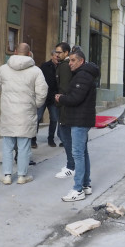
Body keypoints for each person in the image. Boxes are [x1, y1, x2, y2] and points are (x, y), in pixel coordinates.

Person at [0, 42, 47, 185]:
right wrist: (34, 105)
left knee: (7, 146)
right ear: (29, 53)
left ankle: (6, 175)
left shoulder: (3, 69)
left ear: (15, 51)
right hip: (26, 113)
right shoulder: (36, 71)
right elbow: (42, 92)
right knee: (24, 146)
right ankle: (22, 176)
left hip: (8, 112)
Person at [55, 49, 99, 202]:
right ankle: (86, 185)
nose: (70, 64)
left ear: (81, 61)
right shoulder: (83, 75)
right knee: (82, 152)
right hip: (81, 119)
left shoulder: (83, 76)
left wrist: (61, 98)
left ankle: (78, 189)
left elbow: (75, 99)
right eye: (69, 60)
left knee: (78, 154)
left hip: (80, 120)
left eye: (73, 60)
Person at [54, 42, 75, 179]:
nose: (57, 54)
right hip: (64, 105)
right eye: (56, 52)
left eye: (60, 52)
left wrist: (60, 101)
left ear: (66, 53)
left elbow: (64, 87)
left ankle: (71, 166)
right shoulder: (62, 66)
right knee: (66, 137)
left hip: (65, 107)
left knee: (67, 137)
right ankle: (71, 164)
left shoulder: (65, 67)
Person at [36, 50, 60, 148]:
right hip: (43, 96)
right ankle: (33, 139)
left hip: (53, 98)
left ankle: (51, 139)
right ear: (52, 56)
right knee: (37, 118)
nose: (57, 58)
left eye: (58, 56)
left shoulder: (61, 67)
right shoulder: (45, 66)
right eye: (56, 56)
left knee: (54, 119)